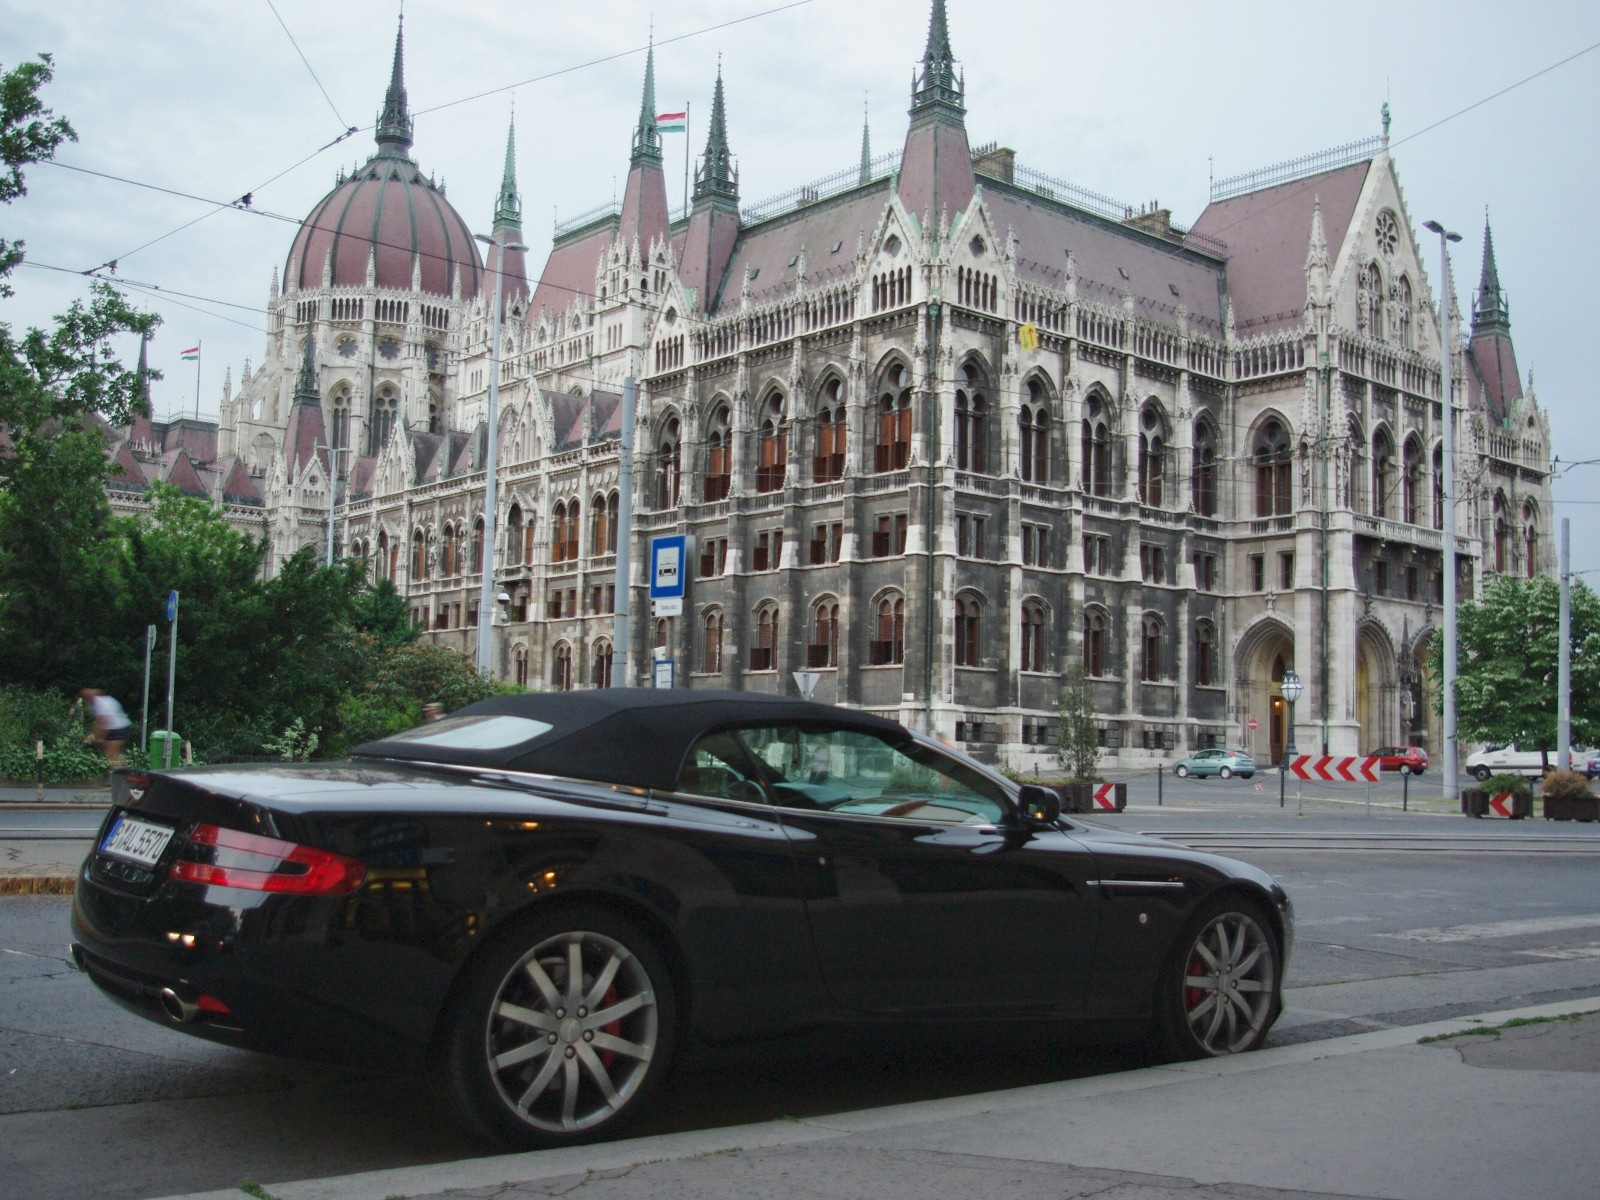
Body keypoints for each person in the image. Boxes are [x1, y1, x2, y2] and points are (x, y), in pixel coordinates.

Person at [79, 688, 131, 767]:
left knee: (111, 755)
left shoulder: (99, 703)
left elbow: (104, 722)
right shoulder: (99, 702)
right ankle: (124, 770)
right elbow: (98, 723)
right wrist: (92, 736)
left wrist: (97, 738)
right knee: (111, 755)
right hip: (115, 727)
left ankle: (121, 774)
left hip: (116, 728)